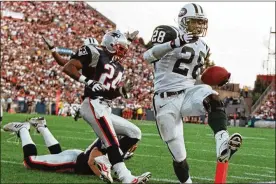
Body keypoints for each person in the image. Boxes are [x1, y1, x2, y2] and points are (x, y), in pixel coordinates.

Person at [143, 3, 242, 183]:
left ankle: (222, 143)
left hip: (188, 92)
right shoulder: (168, 32)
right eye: (193, 22)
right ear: (182, 21)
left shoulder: (203, 46)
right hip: (165, 100)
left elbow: (193, 78)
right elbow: (148, 56)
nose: (197, 26)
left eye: (200, 23)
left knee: (212, 97)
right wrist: (175, 43)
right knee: (179, 157)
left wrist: (215, 80)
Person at [62, 30, 151, 184]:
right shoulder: (95, 52)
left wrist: (120, 92)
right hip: (92, 103)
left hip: (105, 106)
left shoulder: (118, 67)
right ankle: (126, 177)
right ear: (110, 44)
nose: (123, 51)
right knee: (111, 141)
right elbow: (69, 67)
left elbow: (108, 93)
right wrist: (88, 81)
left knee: (134, 133)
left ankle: (104, 161)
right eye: (120, 47)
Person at [2, 117, 148, 182]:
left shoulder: (115, 141)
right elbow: (93, 160)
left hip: (77, 156)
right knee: (29, 162)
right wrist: (104, 177)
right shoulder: (111, 141)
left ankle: (41, 126)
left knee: (57, 155)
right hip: (75, 162)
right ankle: (23, 129)